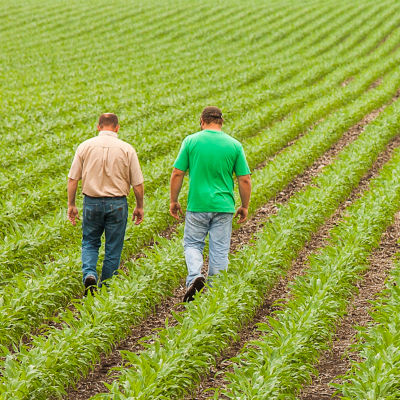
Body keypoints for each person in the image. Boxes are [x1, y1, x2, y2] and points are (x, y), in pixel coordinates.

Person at [170, 106, 251, 302]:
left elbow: (177, 173)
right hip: (223, 206)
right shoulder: (234, 145)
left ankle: (195, 276)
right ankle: (215, 295)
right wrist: (244, 205)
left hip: (197, 204)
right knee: (220, 249)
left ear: (202, 121)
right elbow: (245, 179)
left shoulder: (191, 141)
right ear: (221, 122)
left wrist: (174, 200)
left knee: (192, 243)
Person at [67, 113, 144, 295]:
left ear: (98, 127)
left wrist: (71, 204)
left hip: (91, 202)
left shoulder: (85, 146)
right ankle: (105, 289)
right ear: (117, 127)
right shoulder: (127, 149)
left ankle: (89, 274)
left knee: (90, 242)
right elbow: (138, 184)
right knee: (113, 247)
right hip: (117, 203)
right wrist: (139, 206)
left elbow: (73, 178)